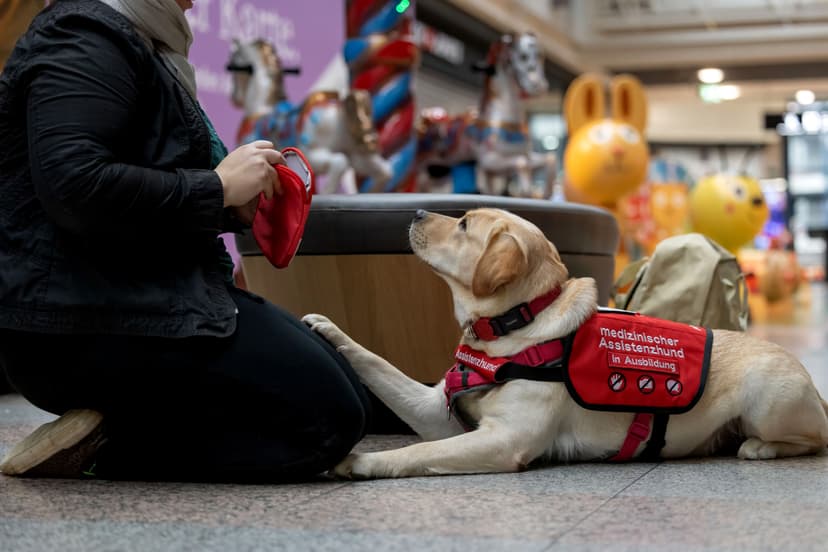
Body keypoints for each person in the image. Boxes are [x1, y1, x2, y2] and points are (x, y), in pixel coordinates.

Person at [0, 0, 372, 481]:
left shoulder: (138, 38)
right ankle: (107, 447)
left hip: (129, 296)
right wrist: (216, 188)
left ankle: (113, 424)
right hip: (77, 322)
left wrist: (229, 203)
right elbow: (76, 187)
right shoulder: (84, 35)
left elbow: (130, 187)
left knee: (349, 394)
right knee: (326, 423)